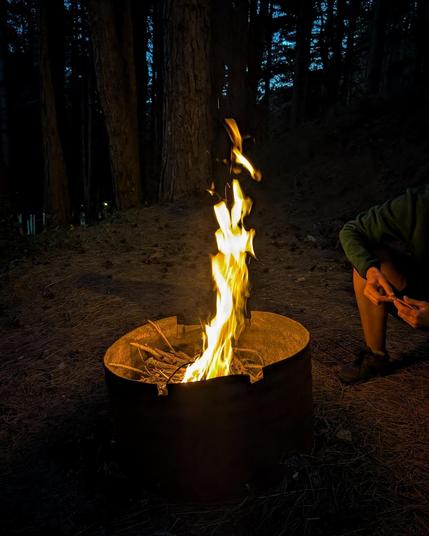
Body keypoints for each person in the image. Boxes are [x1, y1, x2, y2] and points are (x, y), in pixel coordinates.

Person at [338, 184, 429, 384]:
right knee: (369, 263)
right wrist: (370, 271)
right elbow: (351, 230)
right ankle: (376, 357)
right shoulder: (419, 205)